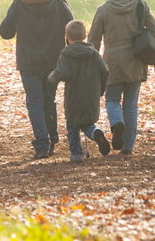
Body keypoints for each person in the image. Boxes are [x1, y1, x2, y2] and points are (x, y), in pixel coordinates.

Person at [88, 0, 155, 155]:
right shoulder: (140, 6)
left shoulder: (103, 9)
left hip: (112, 63)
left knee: (112, 99)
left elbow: (93, 41)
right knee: (130, 104)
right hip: (136, 61)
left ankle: (116, 123)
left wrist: (90, 64)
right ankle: (128, 147)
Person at [0, 0, 73, 158]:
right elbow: (72, 28)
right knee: (49, 100)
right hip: (53, 60)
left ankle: (41, 144)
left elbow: (5, 32)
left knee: (34, 101)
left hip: (28, 61)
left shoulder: (18, 4)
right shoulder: (59, 2)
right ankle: (53, 139)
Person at [46, 20, 112, 161]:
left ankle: (76, 154)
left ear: (67, 37)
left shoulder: (66, 55)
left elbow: (62, 72)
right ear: (84, 36)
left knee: (73, 125)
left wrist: (51, 78)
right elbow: (105, 71)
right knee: (87, 123)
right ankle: (95, 133)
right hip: (91, 95)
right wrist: (100, 90)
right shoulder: (93, 54)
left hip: (73, 96)